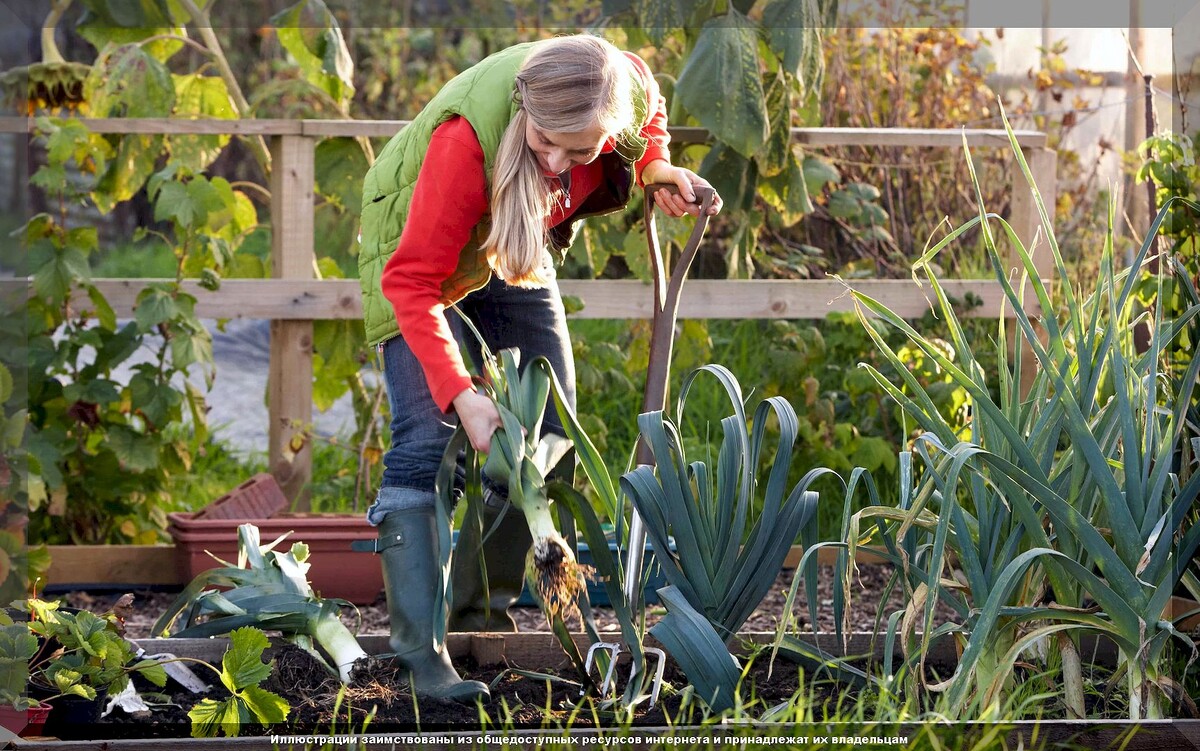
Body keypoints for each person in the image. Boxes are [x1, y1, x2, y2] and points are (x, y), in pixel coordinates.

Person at [357, 33, 722, 703]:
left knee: (547, 432)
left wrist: (657, 168)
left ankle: (479, 621)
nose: (557, 159)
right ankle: (422, 657)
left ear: (608, 127)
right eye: (545, 140)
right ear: (526, 106)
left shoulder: (623, 84)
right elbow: (410, 282)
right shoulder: (465, 146)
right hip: (418, 238)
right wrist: (461, 393)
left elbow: (650, 111)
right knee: (425, 442)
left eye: (579, 151)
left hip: (516, 226)